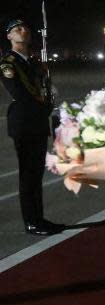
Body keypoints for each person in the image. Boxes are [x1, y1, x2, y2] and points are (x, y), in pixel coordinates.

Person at [1, 19, 64, 236]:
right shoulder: (8, 63)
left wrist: (49, 98)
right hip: (24, 122)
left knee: (36, 174)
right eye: (16, 29)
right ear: (9, 36)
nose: (23, 31)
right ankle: (31, 222)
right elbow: (20, 93)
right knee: (28, 175)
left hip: (37, 121)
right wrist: (44, 102)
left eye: (25, 28)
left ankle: (39, 218)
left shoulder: (36, 62)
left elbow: (46, 88)